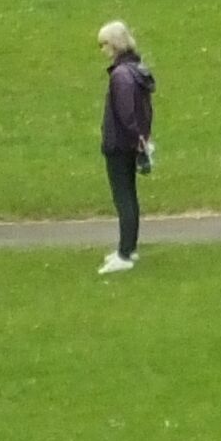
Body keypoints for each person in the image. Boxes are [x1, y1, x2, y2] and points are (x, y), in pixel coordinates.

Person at [97, 21, 154, 276]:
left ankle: (124, 253)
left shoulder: (121, 76)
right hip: (131, 143)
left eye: (104, 44)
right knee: (129, 196)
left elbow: (126, 113)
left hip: (119, 144)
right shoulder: (136, 70)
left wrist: (134, 138)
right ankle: (128, 248)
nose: (103, 50)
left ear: (115, 44)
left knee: (124, 198)